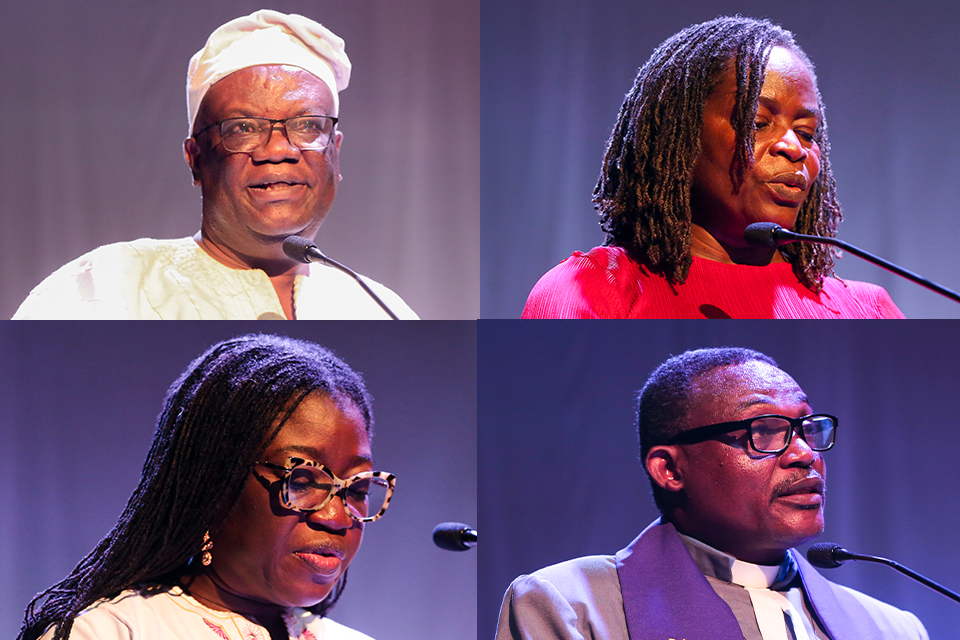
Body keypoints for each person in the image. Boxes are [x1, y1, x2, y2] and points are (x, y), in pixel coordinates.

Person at [496, 347, 927, 639]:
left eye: (807, 429)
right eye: (765, 431)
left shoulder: (892, 629)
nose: (803, 454)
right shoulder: (572, 605)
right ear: (669, 469)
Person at [13, 10, 417, 320]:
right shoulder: (103, 288)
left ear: (335, 152)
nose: (278, 149)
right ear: (195, 159)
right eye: (243, 127)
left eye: (307, 125)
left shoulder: (377, 307)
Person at [19, 334, 396, 640]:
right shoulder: (108, 632)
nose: (336, 517)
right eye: (301, 481)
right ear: (214, 487)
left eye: (357, 489)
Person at [522, 16, 903, 319]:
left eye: (806, 132)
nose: (794, 148)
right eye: (757, 123)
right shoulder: (594, 290)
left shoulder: (868, 310)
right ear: (682, 133)